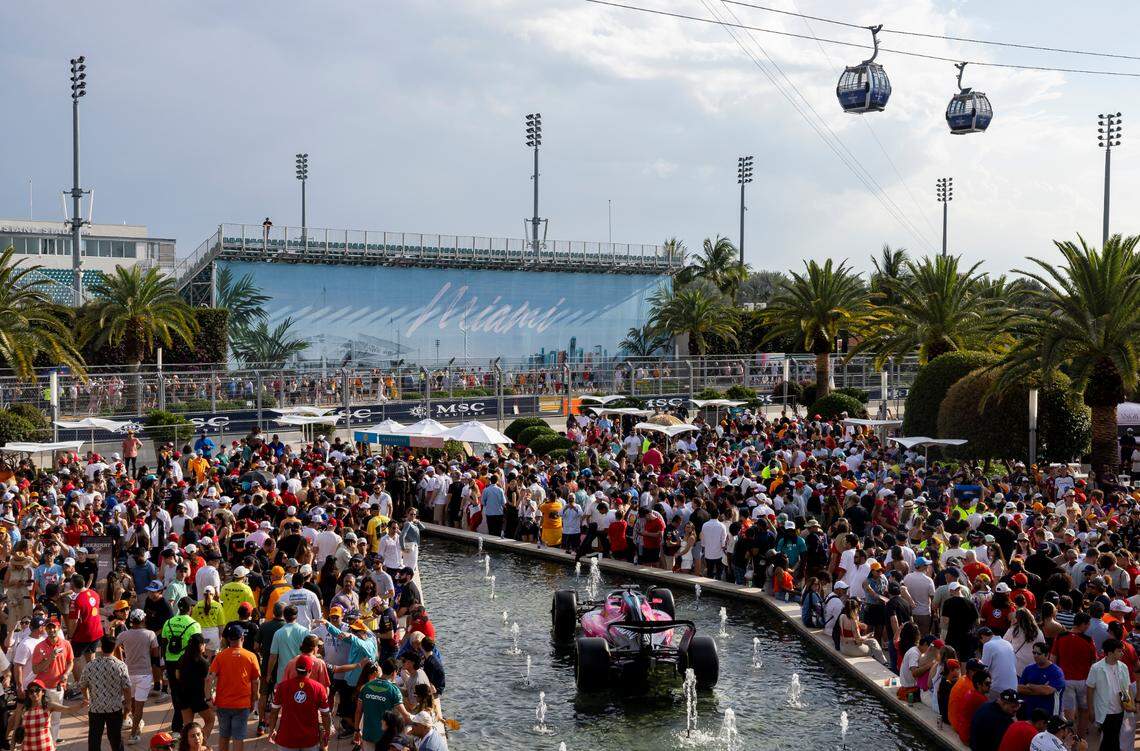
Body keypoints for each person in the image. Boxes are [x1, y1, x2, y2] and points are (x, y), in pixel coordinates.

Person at [207, 623, 261, 751]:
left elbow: (209, 679)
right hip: (242, 704)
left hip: (223, 703)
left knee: (224, 736)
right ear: (242, 638)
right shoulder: (251, 656)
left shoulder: (220, 656)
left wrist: (209, 699)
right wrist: (254, 699)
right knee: (238, 737)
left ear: (228, 639)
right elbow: (255, 681)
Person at [77, 635, 131, 751]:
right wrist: (128, 704)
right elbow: (127, 688)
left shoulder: (90, 665)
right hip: (114, 708)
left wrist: (87, 698)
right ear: (114, 647)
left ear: (101, 647)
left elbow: (82, 685)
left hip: (96, 708)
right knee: (116, 738)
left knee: (94, 739)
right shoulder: (121, 666)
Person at [114, 609, 160, 743]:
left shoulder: (124, 635)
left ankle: (131, 723)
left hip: (128, 673)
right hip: (144, 675)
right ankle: (134, 734)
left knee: (131, 702)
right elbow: (156, 655)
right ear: (143, 620)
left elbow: (112, 647)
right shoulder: (150, 634)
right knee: (139, 706)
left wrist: (120, 659)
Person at [267, 655, 331, 751]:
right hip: (310, 740)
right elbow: (325, 715)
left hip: (287, 739)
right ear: (310, 670)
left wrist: (271, 730)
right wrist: (327, 732)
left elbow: (274, 712)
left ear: (296, 669)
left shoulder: (282, 687)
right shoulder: (319, 688)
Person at [161, 597, 202, 734]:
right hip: (185, 663)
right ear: (190, 609)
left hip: (170, 661)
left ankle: (179, 722)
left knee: (175, 691)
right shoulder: (194, 624)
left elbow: (164, 642)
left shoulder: (168, 622)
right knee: (184, 694)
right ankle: (179, 726)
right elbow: (197, 647)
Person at [354, 658, 412, 750]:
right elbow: (405, 715)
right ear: (394, 672)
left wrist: (357, 730)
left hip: (368, 734)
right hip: (385, 738)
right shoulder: (394, 690)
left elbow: (358, 711)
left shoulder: (366, 687)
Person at [1085, 637, 1132, 751]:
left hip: (1120, 710)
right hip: (1104, 710)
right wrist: (1091, 710)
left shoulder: (1123, 667)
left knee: (1113, 737)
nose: (1122, 653)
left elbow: (1127, 687)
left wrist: (1130, 704)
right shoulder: (1096, 668)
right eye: (1119, 651)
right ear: (1110, 653)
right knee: (1110, 737)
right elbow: (1090, 689)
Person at [176, 633, 215, 740]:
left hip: (183, 695)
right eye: (204, 644)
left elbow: (177, 676)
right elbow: (207, 681)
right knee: (210, 720)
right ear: (200, 646)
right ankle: (199, 744)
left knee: (188, 727)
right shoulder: (204, 663)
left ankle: (188, 746)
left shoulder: (182, 658)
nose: (205, 646)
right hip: (198, 697)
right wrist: (209, 698)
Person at [1018, 642, 1066, 720]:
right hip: (1030, 713)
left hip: (1049, 714)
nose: (1035, 656)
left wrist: (1029, 686)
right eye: (1034, 653)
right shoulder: (1028, 669)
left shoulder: (1056, 671)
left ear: (1047, 655)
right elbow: (1019, 688)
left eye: (1038, 653)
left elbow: (1047, 691)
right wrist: (1040, 688)